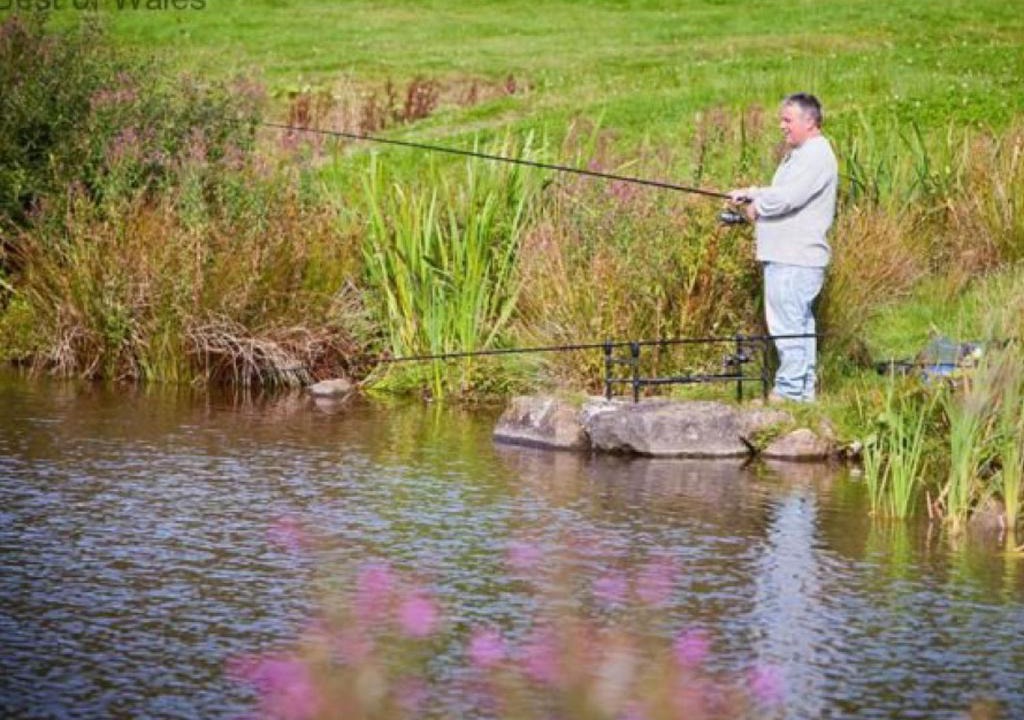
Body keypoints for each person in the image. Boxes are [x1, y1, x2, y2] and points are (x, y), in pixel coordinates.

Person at [728, 93, 838, 403]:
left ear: (810, 122)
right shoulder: (803, 155)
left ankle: (790, 391)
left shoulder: (816, 155)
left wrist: (756, 208)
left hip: (794, 258)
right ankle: (801, 391)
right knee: (797, 324)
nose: (782, 126)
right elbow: (781, 192)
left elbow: (788, 198)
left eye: (787, 120)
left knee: (788, 325)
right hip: (789, 257)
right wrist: (748, 193)